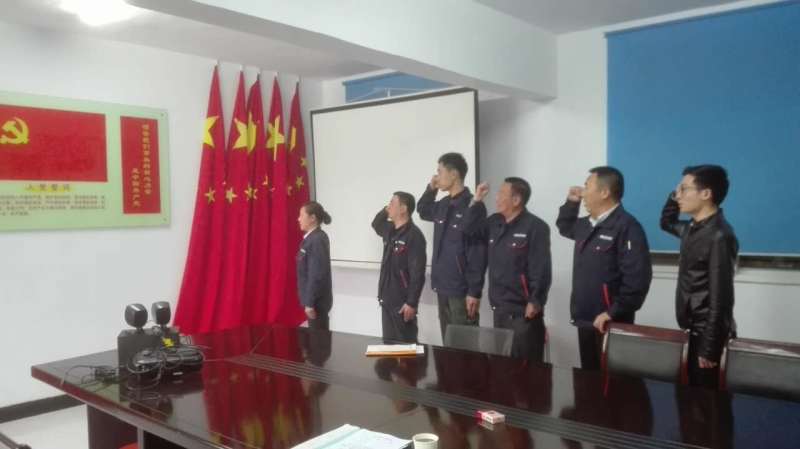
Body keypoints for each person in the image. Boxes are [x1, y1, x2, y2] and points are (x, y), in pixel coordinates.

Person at [555, 166, 652, 370]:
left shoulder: (627, 226)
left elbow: (637, 279)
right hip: (585, 319)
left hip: (611, 321)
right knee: (588, 380)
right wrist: (572, 203)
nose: (583, 192)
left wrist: (612, 312)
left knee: (613, 382)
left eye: (587, 186)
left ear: (604, 192)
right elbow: (564, 226)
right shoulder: (586, 224)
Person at [661, 164, 738, 388]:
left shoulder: (719, 235)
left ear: (706, 194)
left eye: (684, 189)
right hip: (692, 329)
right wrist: (673, 196)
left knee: (705, 402)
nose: (679, 195)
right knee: (688, 397)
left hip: (708, 335)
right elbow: (666, 222)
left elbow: (721, 298)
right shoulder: (692, 228)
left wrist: (710, 348)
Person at [464, 177, 551, 362]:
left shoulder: (536, 227)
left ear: (516, 200)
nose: (496, 197)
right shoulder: (494, 222)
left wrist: (536, 300)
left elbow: (541, 268)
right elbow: (469, 229)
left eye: (501, 193)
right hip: (499, 309)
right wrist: (477, 200)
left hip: (523, 313)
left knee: (525, 369)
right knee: (502, 366)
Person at [418, 152, 486, 340]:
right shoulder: (443, 204)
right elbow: (423, 210)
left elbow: (478, 252)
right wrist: (431, 188)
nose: (436, 176)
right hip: (442, 286)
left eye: (440, 172)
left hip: (461, 290)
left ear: (454, 174)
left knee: (465, 347)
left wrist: (474, 291)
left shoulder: (473, 206)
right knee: (447, 345)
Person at [371, 192, 427, 343]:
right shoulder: (389, 230)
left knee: (405, 346)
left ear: (403, 209)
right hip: (386, 299)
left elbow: (417, 273)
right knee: (389, 345)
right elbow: (376, 224)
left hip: (402, 303)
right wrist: (386, 209)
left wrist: (411, 303)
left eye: (392, 203)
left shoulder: (414, 235)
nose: (388, 206)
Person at [296, 201, 333, 330]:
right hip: (314, 301)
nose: (298, 219)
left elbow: (316, 274)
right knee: (316, 338)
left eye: (301, 215)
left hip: (317, 302)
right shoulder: (312, 238)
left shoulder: (317, 240)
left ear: (312, 218)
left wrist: (310, 303)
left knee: (319, 339)